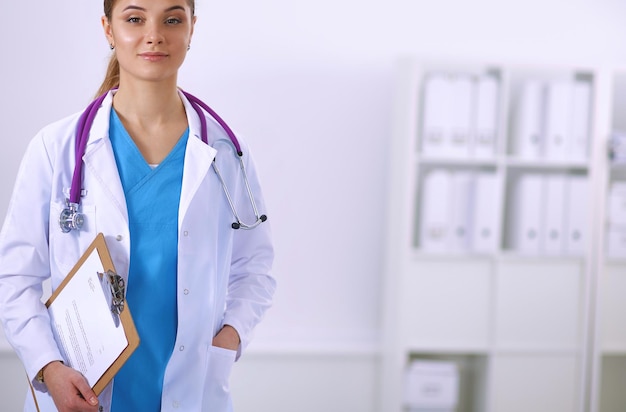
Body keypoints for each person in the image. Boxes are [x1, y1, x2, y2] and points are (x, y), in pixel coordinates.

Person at [0, 0, 276, 410]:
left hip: (192, 390)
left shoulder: (224, 152)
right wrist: (49, 367)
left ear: (192, 29)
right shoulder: (55, 149)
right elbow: (14, 278)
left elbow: (255, 268)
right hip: (82, 390)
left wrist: (229, 338)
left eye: (172, 19)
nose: (154, 34)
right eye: (134, 18)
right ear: (108, 30)